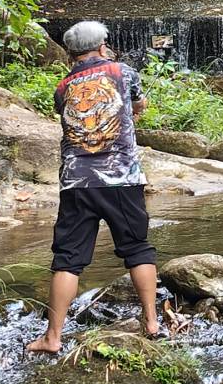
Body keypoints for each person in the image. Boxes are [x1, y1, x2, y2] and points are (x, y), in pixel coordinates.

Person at [27, 20, 160, 353]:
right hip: (122, 179)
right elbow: (137, 105)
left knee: (68, 259)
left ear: (71, 54)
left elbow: (69, 114)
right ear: (103, 46)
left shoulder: (63, 86)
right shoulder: (123, 72)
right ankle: (152, 323)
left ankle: (52, 337)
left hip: (76, 182)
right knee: (137, 248)